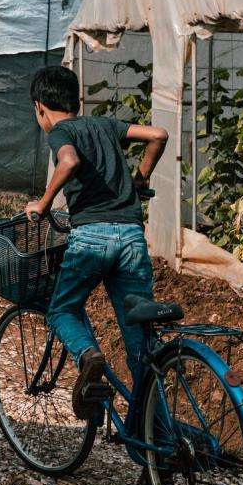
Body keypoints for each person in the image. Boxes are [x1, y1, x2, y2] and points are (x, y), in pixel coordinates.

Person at [24, 65, 169, 432]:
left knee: (61, 311)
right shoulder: (105, 126)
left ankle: (90, 357)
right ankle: (159, 447)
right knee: (142, 350)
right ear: (77, 100)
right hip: (133, 238)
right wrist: (140, 180)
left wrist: (42, 204)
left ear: (40, 107)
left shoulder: (61, 131)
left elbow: (69, 161)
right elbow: (158, 134)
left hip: (92, 237)